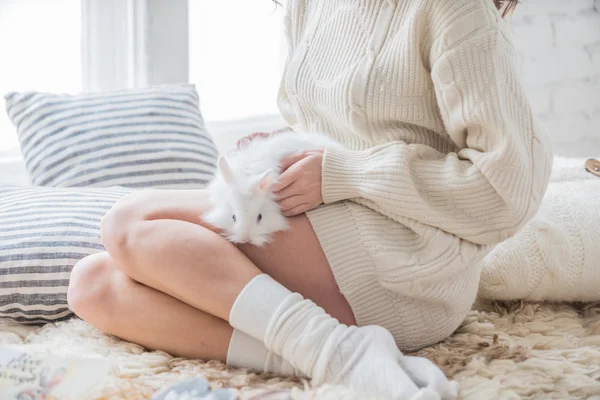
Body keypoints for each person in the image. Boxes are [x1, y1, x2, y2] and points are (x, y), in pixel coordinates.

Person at [66, 0, 553, 398]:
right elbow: (345, 126)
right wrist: (286, 145)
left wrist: (344, 172)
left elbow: (504, 190)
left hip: (409, 259)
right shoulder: (309, 5)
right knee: (93, 285)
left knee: (128, 224)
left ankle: (336, 352)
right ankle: (336, 353)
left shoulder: (453, 10)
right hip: (333, 222)